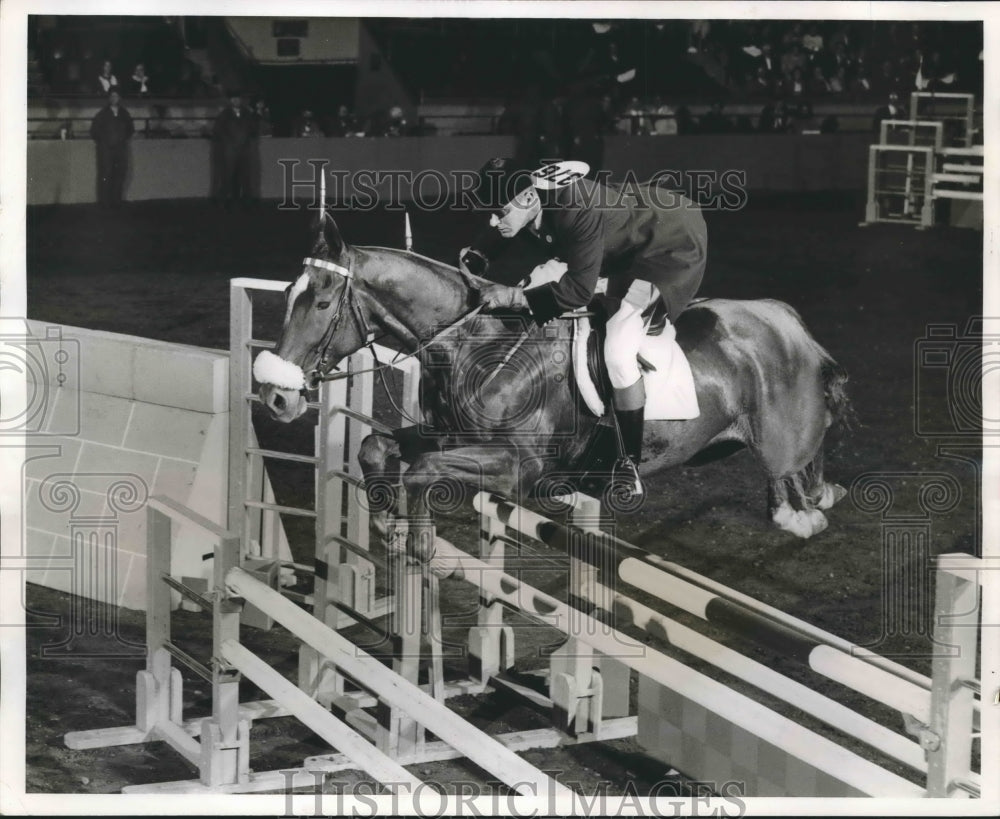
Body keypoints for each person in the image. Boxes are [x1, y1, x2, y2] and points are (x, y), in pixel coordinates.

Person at [466, 159, 707, 497]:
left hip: (668, 250)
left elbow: (578, 291)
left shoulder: (574, 210)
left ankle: (627, 464)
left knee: (620, 347)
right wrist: (480, 253)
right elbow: (507, 224)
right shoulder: (531, 198)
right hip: (625, 236)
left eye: (499, 212)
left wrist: (514, 295)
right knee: (539, 283)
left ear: (530, 199)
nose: (493, 221)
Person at [89, 89, 134, 207]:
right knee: (106, 174)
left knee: (120, 173)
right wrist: (104, 143)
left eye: (116, 96)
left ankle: (117, 199)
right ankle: (105, 201)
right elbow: (94, 131)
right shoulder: (102, 114)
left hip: (121, 149)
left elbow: (130, 129)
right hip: (106, 150)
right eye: (112, 96)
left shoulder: (124, 113)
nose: (114, 98)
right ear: (109, 98)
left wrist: (122, 139)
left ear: (120, 98)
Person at [212, 91, 257, 208]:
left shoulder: (247, 113)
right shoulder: (224, 114)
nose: (236, 101)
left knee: (245, 175)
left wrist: (247, 141)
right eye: (234, 99)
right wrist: (229, 142)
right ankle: (224, 200)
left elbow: (253, 130)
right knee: (227, 175)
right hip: (230, 150)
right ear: (231, 100)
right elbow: (219, 131)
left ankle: (246, 201)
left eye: (238, 98)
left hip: (243, 150)